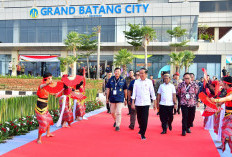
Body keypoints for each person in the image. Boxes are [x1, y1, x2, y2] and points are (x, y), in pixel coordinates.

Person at [131, 68, 156, 140]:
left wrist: (154, 103)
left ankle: (143, 133)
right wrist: (133, 102)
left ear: (146, 74)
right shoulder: (136, 82)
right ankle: (141, 129)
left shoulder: (149, 82)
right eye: (140, 73)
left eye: (142, 73)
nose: (141, 75)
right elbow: (134, 93)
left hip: (146, 103)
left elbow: (152, 92)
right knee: (139, 118)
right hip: (138, 103)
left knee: (144, 119)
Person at [210, 76, 232, 153]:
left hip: (230, 115)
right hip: (227, 114)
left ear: (226, 84)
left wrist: (216, 100)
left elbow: (228, 99)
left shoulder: (231, 91)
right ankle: (223, 145)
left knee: (228, 133)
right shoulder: (227, 91)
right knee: (224, 131)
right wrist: (216, 104)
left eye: (222, 82)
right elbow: (223, 101)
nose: (221, 84)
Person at [35, 73, 54, 144]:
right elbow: (43, 86)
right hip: (40, 108)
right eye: (51, 78)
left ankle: (48, 133)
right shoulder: (42, 85)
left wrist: (58, 93)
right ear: (48, 79)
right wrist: (47, 84)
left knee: (49, 119)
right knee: (43, 123)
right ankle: (38, 138)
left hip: (45, 107)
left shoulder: (48, 86)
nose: (52, 79)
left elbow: (52, 93)